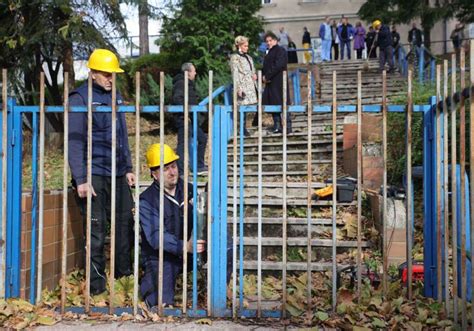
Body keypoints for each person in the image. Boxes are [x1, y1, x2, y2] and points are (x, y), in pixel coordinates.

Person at [68, 49, 135, 295]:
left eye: (113, 75)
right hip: (93, 173)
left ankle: (122, 277)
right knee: (96, 230)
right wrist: (81, 179)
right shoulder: (79, 98)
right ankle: (96, 288)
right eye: (106, 74)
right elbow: (74, 142)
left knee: (125, 225)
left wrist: (128, 167)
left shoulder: (115, 96)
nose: (110, 79)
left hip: (117, 172)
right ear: (93, 73)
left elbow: (123, 135)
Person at [139, 144, 204, 307]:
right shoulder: (146, 200)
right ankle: (152, 292)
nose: (172, 172)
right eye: (165, 169)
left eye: (173, 166)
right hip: (162, 256)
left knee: (226, 244)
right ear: (154, 174)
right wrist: (185, 246)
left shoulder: (190, 190)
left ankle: (218, 292)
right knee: (159, 303)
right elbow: (156, 237)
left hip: (192, 249)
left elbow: (202, 218)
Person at [171, 63, 208, 175]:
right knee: (183, 144)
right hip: (183, 118)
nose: (195, 73)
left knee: (202, 138)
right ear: (187, 72)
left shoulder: (189, 84)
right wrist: (186, 113)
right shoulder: (181, 84)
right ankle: (181, 171)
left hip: (191, 118)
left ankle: (199, 165)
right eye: (193, 71)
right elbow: (177, 99)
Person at [262, 31, 292, 134]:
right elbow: (265, 67)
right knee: (273, 103)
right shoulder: (268, 52)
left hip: (279, 81)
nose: (268, 43)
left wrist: (267, 75)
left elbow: (279, 65)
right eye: (267, 41)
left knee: (283, 102)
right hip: (271, 83)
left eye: (270, 40)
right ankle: (277, 125)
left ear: (275, 40)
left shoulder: (280, 50)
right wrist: (262, 75)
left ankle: (287, 126)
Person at [229, 36, 258, 137]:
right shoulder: (235, 57)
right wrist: (238, 88)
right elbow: (235, 73)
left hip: (251, 85)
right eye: (245, 46)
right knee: (241, 108)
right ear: (239, 46)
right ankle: (240, 128)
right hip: (242, 86)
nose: (247, 48)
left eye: (247, 46)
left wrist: (254, 75)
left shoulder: (249, 57)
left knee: (249, 108)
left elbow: (252, 70)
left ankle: (245, 127)